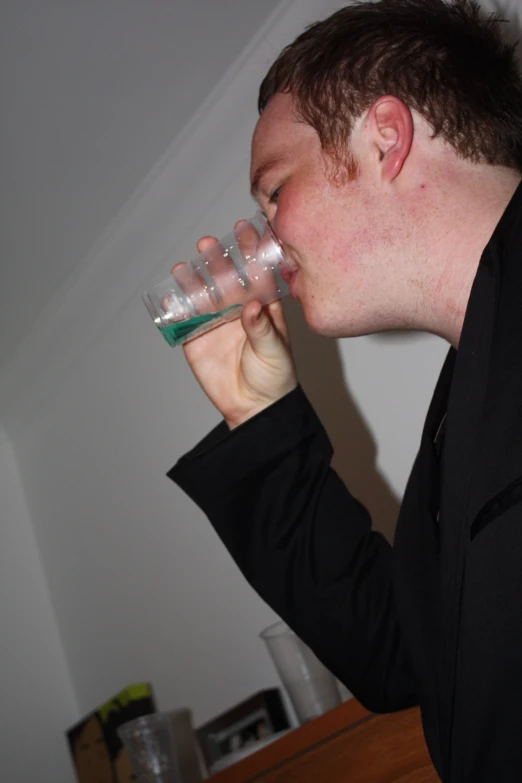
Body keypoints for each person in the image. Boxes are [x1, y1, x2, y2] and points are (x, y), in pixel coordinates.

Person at [167, 1, 522, 780]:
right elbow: (402, 655)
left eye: (273, 190)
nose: (258, 242)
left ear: (385, 137)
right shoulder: (459, 412)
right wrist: (257, 417)